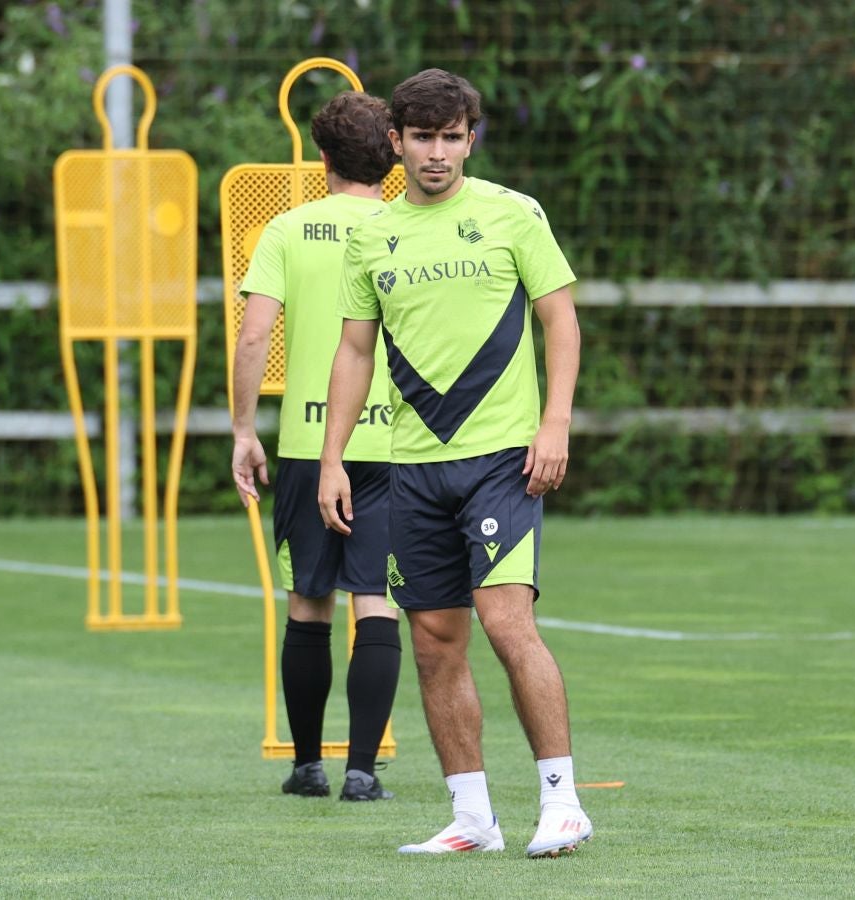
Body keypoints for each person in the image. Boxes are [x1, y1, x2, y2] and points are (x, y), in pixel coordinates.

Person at [317, 68, 591, 858]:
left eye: (452, 136)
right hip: (413, 468)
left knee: (507, 623)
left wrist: (556, 423)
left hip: (504, 457)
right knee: (435, 641)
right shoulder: (370, 234)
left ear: (471, 138)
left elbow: (559, 320)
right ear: (395, 142)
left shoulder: (513, 214)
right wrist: (334, 460)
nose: (438, 153)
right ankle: (473, 818)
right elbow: (354, 350)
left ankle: (563, 802)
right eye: (422, 138)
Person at [231, 91, 401, 802]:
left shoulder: (287, 228)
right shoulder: (408, 228)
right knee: (378, 601)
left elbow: (253, 336)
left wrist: (244, 428)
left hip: (306, 441)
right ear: (393, 156)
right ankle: (364, 770)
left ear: (323, 157)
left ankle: (308, 766)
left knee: (310, 602)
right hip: (395, 442)